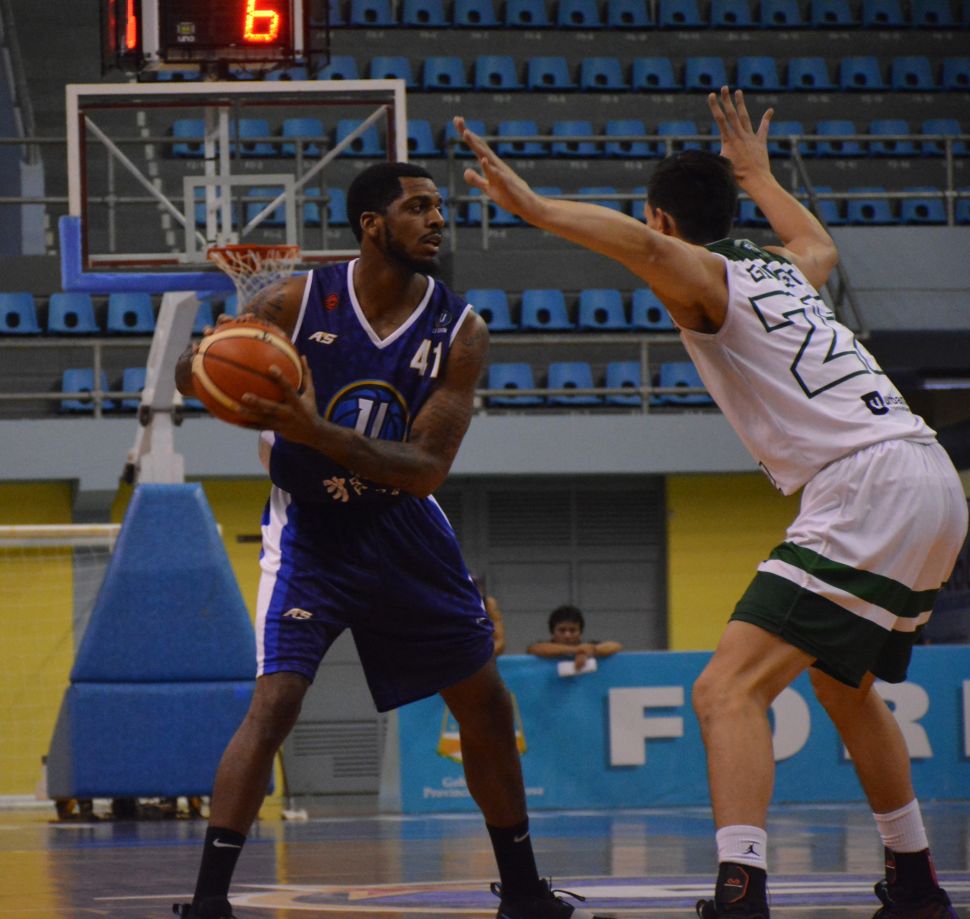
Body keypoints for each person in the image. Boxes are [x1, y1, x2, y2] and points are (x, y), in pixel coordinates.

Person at [455, 89, 968, 919]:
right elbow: (820, 242)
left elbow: (634, 245)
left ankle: (741, 888)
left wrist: (538, 208)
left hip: (866, 483)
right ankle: (914, 881)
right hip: (931, 474)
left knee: (724, 690)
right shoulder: (781, 269)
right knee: (844, 684)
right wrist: (761, 176)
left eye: (653, 225)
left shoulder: (710, 275)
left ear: (662, 218)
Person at [173, 162, 606, 919]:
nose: (437, 219)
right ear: (373, 225)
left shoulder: (460, 331)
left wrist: (314, 430)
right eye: (418, 207)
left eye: (439, 207)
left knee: (487, 705)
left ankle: (524, 892)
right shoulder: (294, 301)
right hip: (311, 531)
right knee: (275, 703)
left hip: (401, 527)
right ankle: (208, 902)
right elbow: (190, 375)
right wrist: (213, 363)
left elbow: (426, 469)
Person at [527, 604, 623, 672]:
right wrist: (577, 651)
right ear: (552, 632)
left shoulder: (588, 647)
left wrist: (591, 650)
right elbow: (534, 649)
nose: (567, 635)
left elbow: (616, 646)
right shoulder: (544, 647)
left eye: (572, 630)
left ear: (580, 632)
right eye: (562, 630)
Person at [473, 573, 507, 656]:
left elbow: (500, 642)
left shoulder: (488, 603)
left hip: (481, 655)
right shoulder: (450, 604)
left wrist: (480, 655)